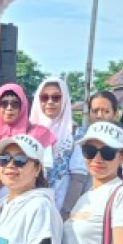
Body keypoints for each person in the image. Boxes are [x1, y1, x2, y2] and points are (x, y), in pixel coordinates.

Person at [0, 84, 53, 192]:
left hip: (27, 195)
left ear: (23, 106)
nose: (9, 108)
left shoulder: (39, 134)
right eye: (4, 103)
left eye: (15, 104)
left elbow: (45, 171)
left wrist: (9, 177)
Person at [63, 91, 121, 210]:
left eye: (106, 111)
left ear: (115, 114)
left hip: (113, 202)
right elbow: (78, 180)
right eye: (95, 111)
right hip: (85, 204)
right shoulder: (82, 137)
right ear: (89, 113)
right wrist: (68, 211)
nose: (100, 115)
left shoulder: (122, 141)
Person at [29, 77, 76, 211]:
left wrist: (67, 211)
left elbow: (78, 179)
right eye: (44, 98)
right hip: (32, 204)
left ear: (65, 100)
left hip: (64, 203)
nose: (50, 102)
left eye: (56, 98)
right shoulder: (28, 132)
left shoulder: (75, 134)